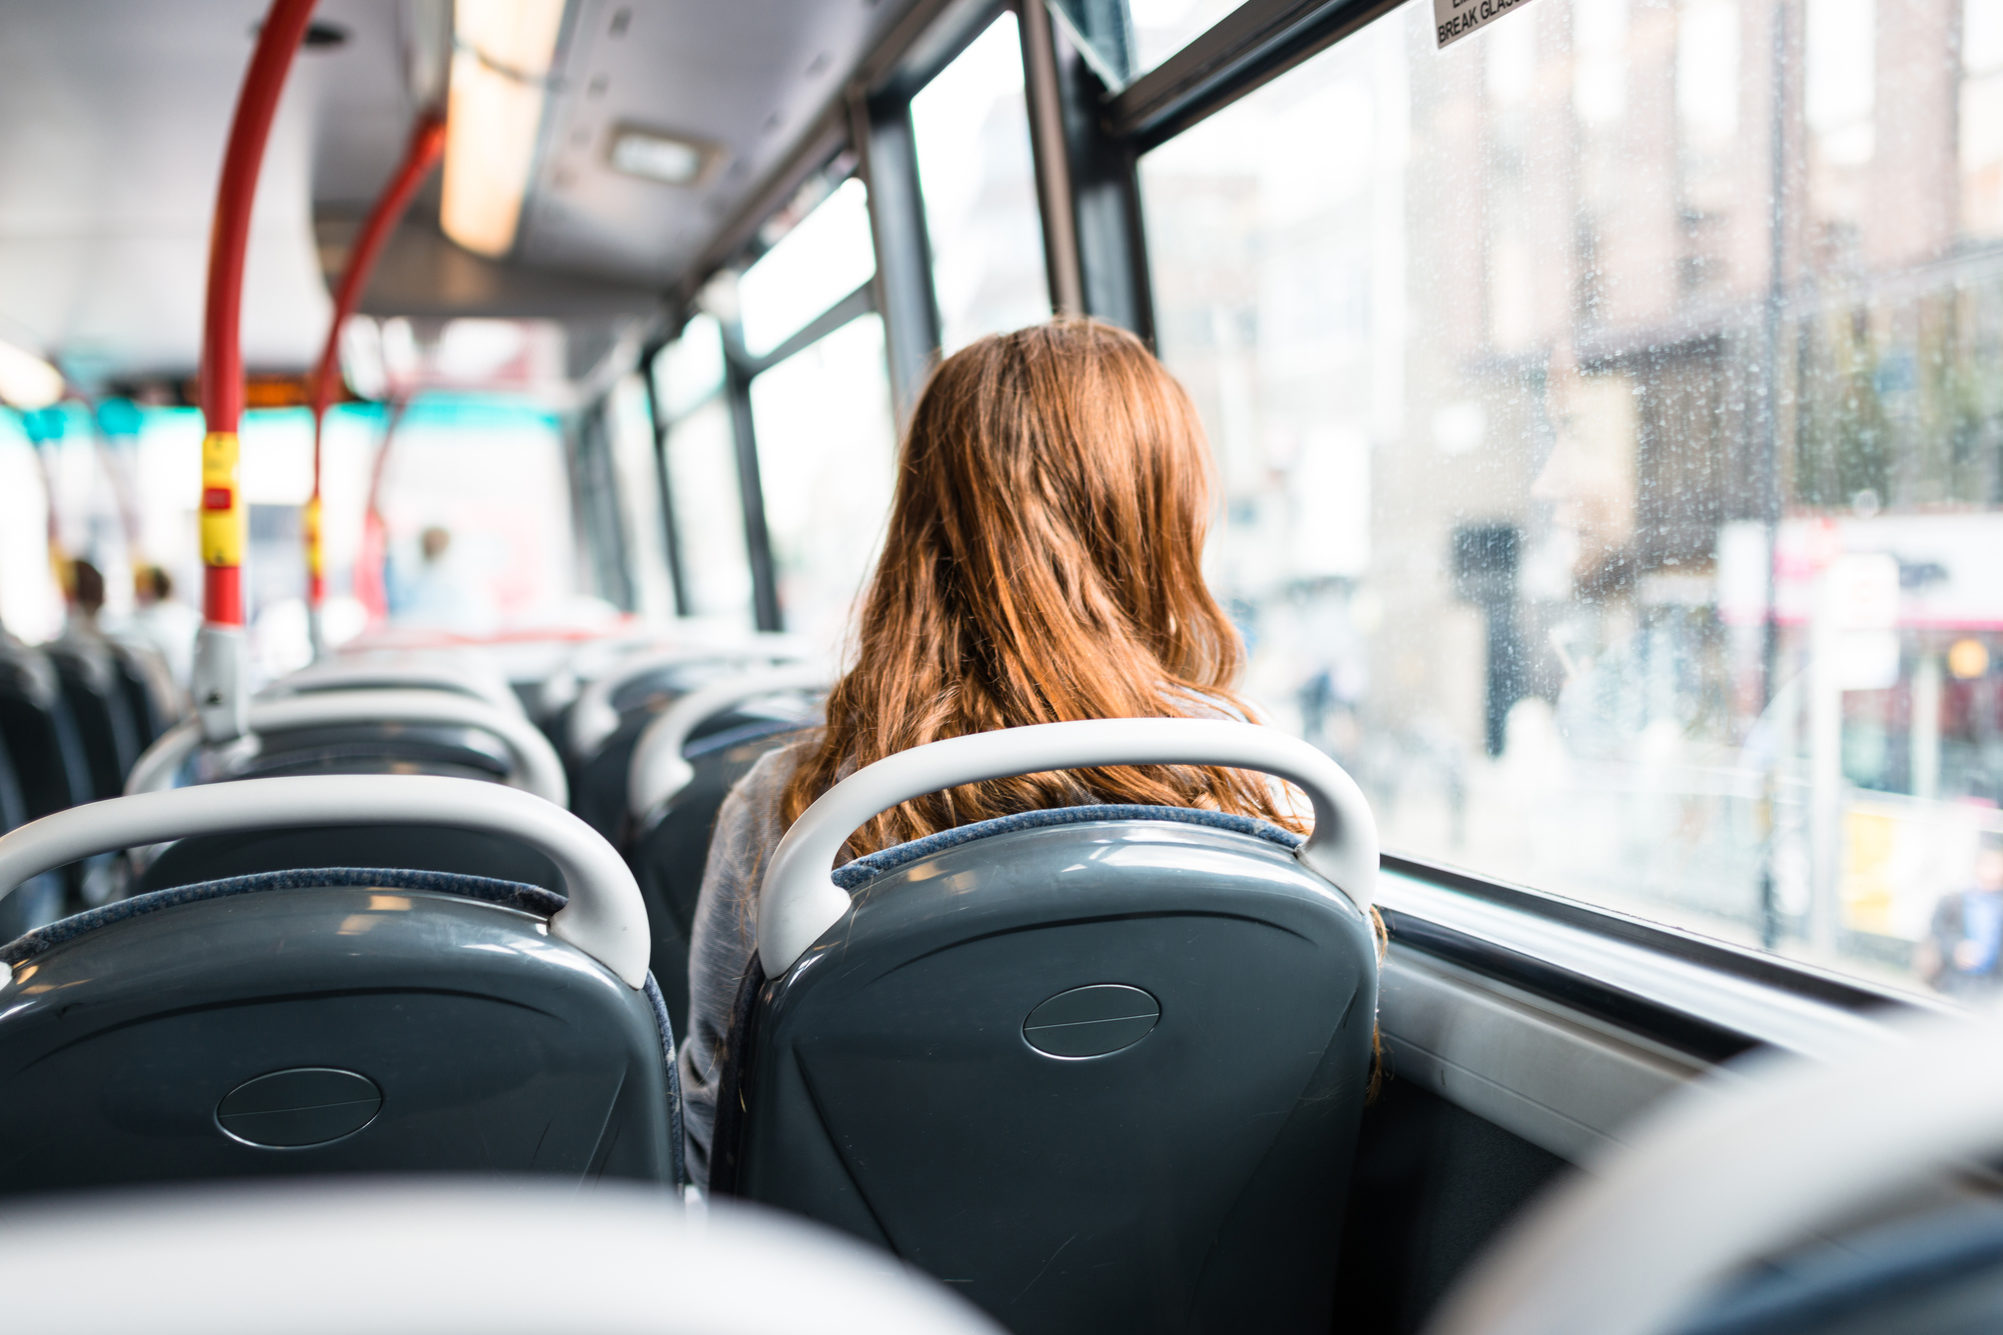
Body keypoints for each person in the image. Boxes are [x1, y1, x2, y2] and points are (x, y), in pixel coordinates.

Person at [679, 318, 1318, 1188]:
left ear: (920, 526)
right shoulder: (1251, 781)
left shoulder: (793, 815)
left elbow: (720, 1132)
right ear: (1158, 515)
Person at [1919, 830, 2003, 998]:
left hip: (1993, 988)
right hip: (1951, 982)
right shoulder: (1953, 901)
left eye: (1998, 866)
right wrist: (1956, 948)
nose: (1993, 872)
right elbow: (1937, 933)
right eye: (1988, 865)